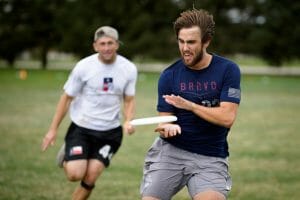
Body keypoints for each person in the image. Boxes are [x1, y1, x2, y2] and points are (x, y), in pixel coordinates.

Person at [140, 9, 241, 200]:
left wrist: (191, 106)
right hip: (171, 153)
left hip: (210, 156)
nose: (185, 48)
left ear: (206, 41)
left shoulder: (228, 70)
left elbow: (227, 117)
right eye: (181, 41)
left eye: (191, 42)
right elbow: (164, 121)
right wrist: (166, 127)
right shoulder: (169, 76)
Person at [41, 26, 137, 200]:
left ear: (117, 44)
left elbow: (129, 100)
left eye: (110, 43)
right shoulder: (84, 67)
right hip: (82, 128)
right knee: (74, 174)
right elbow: (66, 98)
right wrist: (52, 129)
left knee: (91, 175)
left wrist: (129, 120)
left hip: (110, 132)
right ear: (95, 46)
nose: (106, 48)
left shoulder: (128, 68)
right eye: (102, 44)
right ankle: (68, 154)